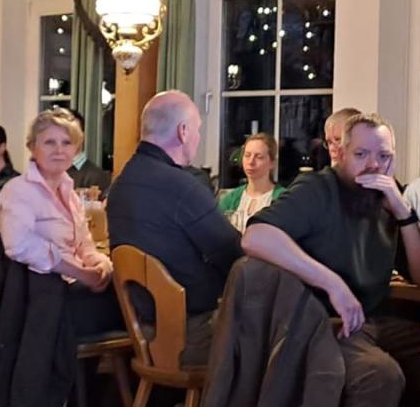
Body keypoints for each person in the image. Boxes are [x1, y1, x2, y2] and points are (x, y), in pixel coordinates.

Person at [242, 113, 420, 407]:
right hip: (319, 323)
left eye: (384, 156)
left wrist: (403, 213)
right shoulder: (317, 189)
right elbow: (256, 237)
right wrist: (331, 282)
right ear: (341, 153)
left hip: (375, 320)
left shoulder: (388, 197)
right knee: (380, 375)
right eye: (362, 154)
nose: (373, 165)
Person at [107, 90, 242, 365]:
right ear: (182, 132)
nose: (198, 137)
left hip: (145, 332)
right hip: (191, 337)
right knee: (278, 331)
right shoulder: (182, 187)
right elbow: (234, 254)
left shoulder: (121, 183)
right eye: (197, 130)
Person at [0, 109, 121, 336]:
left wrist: (102, 266)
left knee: (131, 290)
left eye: (67, 143)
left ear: (76, 149)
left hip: (73, 288)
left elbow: (85, 246)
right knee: (134, 304)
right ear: (32, 147)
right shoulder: (18, 190)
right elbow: (18, 245)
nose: (59, 150)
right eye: (50, 142)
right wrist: (81, 273)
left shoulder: (71, 194)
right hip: (42, 299)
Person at [218, 132, 285, 233]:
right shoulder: (230, 199)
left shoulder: (283, 199)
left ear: (272, 163)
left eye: (259, 157)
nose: (251, 162)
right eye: (247, 155)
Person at [67, 109, 111, 194]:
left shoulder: (98, 177)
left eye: (73, 131)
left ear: (82, 136)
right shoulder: (48, 172)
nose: (66, 137)